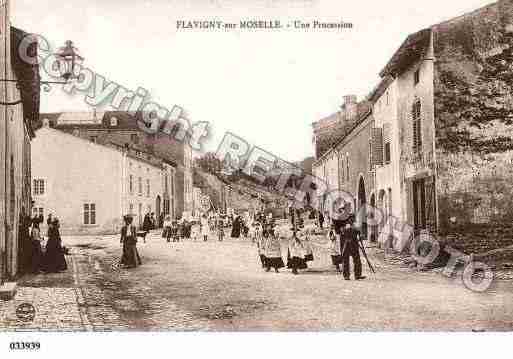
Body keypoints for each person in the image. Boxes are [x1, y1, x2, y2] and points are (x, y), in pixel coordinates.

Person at [340, 215, 365, 280]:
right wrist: (352, 229)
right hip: (346, 244)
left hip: (354, 244)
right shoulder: (344, 225)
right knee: (346, 260)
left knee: (357, 260)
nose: (354, 219)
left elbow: (358, 234)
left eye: (354, 218)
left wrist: (360, 234)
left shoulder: (354, 225)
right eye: (352, 218)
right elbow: (343, 232)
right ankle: (346, 275)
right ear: (349, 219)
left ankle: (357, 275)